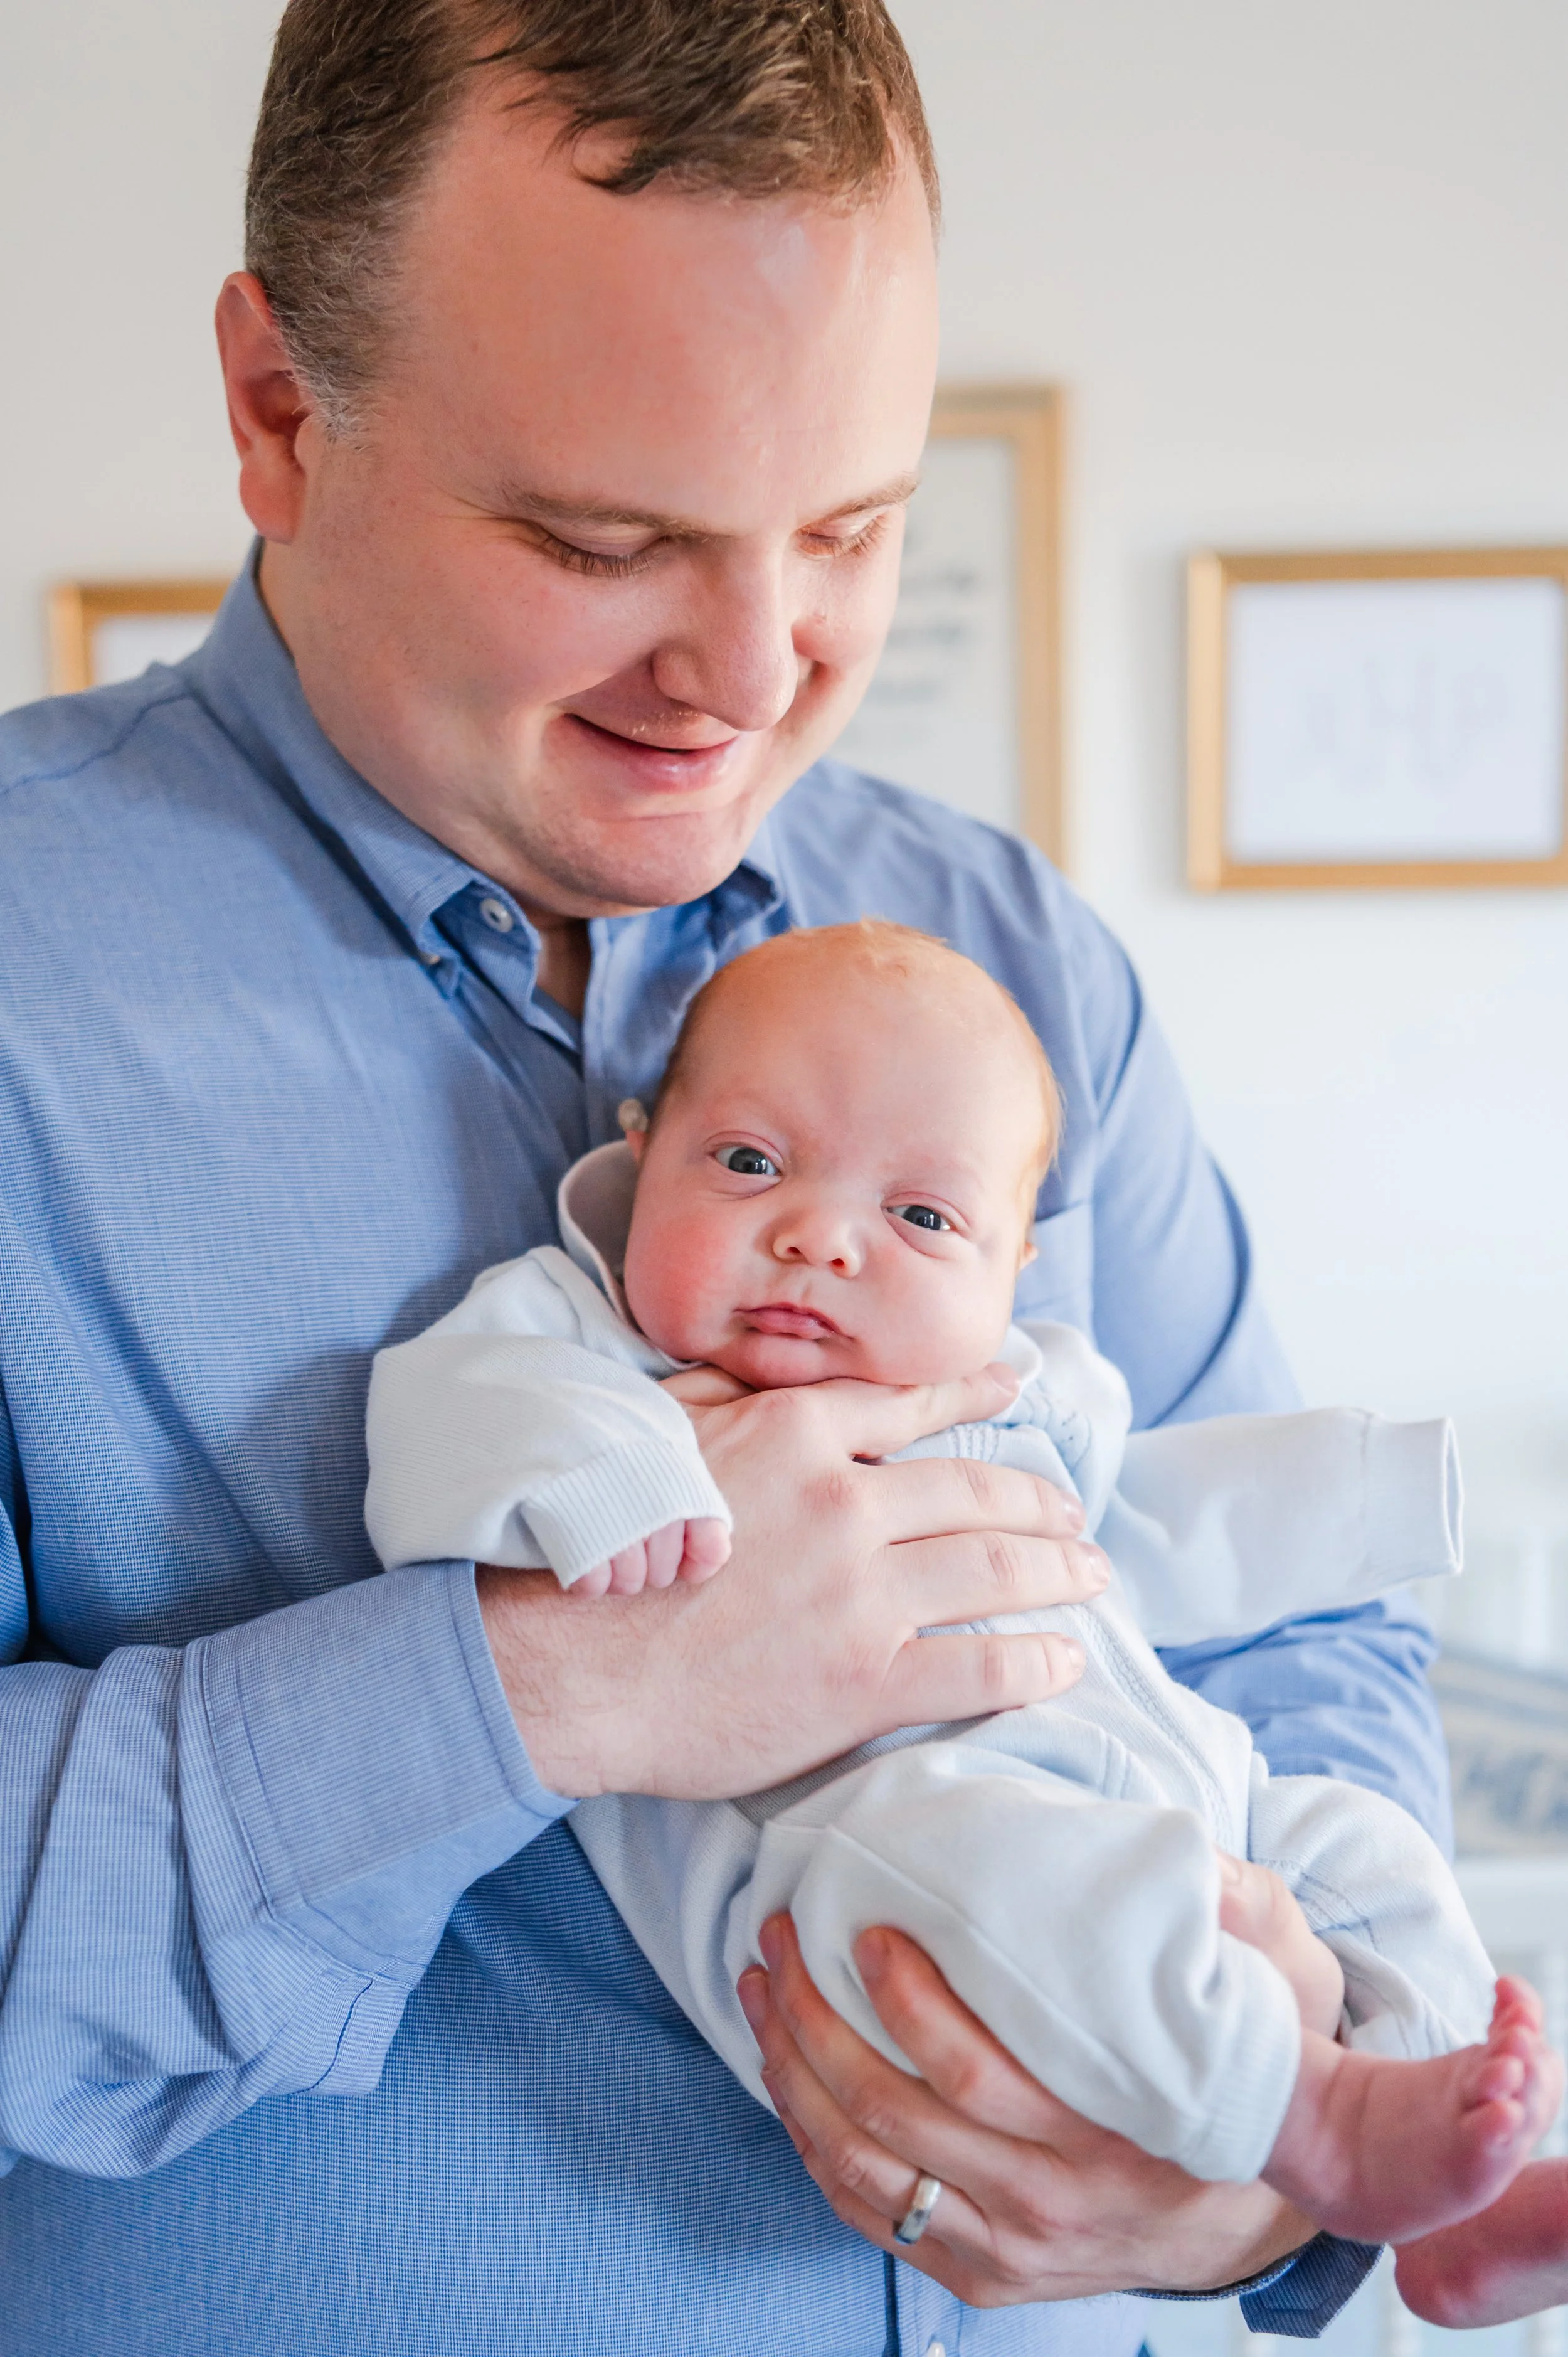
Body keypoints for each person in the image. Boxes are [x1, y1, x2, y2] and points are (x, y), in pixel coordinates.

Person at [0, 2, 1490, 2349]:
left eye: (852, 530)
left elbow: (1294, 1633)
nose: (754, 666)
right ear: (282, 412)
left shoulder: (1005, 962)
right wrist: (561, 1686)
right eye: (607, 541)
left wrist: (1250, 2187)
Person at [364, 918, 1560, 2252]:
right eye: (750, 1163)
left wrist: (1360, 1500)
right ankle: (1313, 2118)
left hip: (1186, 1804)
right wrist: (606, 1486)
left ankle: (1444, 2191)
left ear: (1012, 1266)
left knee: (1359, 1845)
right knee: (1011, 1866)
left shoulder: (1019, 1390)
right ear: (643, 1153)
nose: (818, 1238)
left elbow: (1145, 1528)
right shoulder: (576, 1341)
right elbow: (435, 1427)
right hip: (869, 1864)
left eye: (922, 1216)